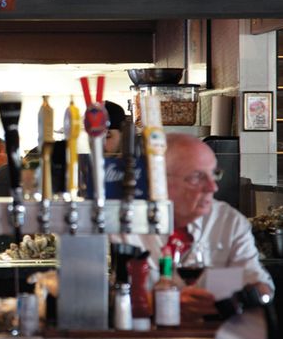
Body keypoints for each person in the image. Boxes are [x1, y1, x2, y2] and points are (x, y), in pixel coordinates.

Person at [112, 133, 273, 322]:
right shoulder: (125, 222)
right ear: (159, 181)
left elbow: (260, 285)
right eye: (197, 177)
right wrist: (159, 302)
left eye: (214, 174)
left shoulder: (228, 221)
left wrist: (253, 295)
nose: (213, 187)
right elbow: (102, 297)